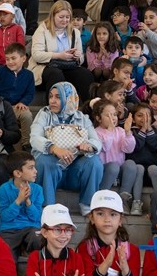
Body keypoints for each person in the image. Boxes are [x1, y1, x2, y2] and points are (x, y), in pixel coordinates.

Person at [31, 81, 103, 213]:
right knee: (43, 160)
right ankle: (48, 207)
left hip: (74, 173)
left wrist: (89, 146)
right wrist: (54, 148)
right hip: (53, 171)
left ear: (69, 99)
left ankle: (87, 206)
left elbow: (96, 141)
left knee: (94, 162)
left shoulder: (82, 118)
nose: (52, 100)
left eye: (58, 97)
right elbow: (34, 138)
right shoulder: (44, 114)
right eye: (51, 96)